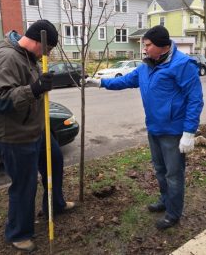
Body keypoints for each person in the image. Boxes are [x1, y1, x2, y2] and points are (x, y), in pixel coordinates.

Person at [85, 25, 204, 230]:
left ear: (163, 46)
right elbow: (125, 80)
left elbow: (195, 100)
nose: (144, 49)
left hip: (174, 132)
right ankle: (165, 201)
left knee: (174, 175)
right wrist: (99, 83)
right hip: (154, 129)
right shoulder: (147, 66)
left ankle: (173, 213)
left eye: (148, 45)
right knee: (160, 170)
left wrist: (188, 132)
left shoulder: (183, 65)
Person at [0, 20, 75, 251]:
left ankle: (55, 205)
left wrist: (39, 85)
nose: (49, 53)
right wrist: (34, 89)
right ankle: (18, 233)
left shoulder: (28, 57)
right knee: (24, 185)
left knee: (54, 161)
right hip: (14, 135)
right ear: (37, 41)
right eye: (49, 48)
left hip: (35, 128)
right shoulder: (8, 58)